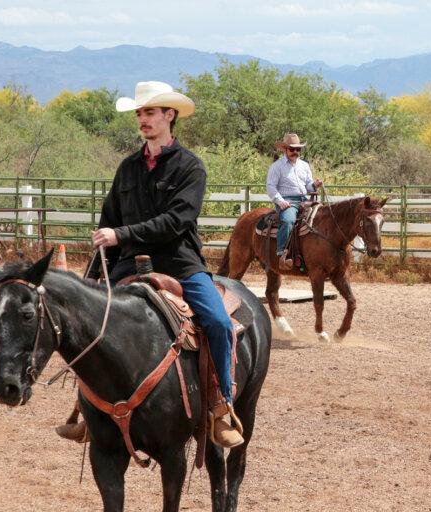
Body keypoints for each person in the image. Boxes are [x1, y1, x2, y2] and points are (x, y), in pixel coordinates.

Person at [57, 80, 243, 448]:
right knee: (89, 324)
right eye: (140, 113)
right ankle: (86, 410)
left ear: (169, 116)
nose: (143, 119)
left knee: (219, 323)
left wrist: (121, 235)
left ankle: (222, 406)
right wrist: (91, 278)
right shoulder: (127, 169)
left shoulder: (191, 167)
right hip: (127, 265)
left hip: (180, 263)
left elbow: (177, 221)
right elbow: (107, 221)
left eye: (150, 112)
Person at [265, 133, 323, 270]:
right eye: (292, 149)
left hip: (304, 199)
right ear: (285, 149)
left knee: (323, 217)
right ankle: (282, 254)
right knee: (288, 220)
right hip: (287, 201)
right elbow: (270, 186)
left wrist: (314, 185)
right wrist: (280, 201)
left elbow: (308, 185)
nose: (295, 152)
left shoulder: (304, 165)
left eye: (298, 149)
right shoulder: (277, 166)